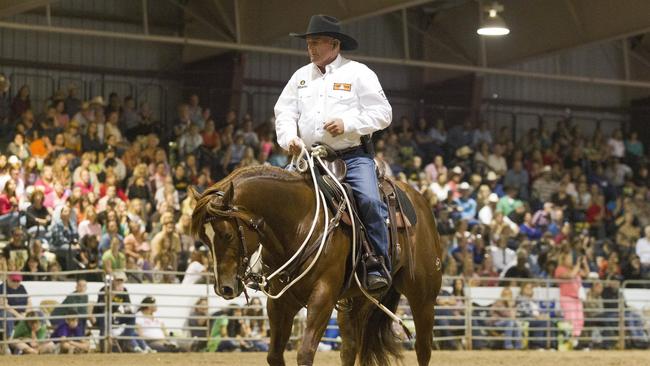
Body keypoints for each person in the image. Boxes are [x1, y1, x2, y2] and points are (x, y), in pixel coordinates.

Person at [274, 14, 392, 290]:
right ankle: (271, 261)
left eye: (316, 42)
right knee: (277, 199)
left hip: (351, 156)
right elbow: (284, 112)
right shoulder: (300, 77)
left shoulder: (359, 73)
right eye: (308, 43)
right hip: (309, 158)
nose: (311, 48)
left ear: (334, 44)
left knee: (370, 201)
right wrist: (289, 138)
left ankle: (376, 262)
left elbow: (383, 113)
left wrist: (348, 124)